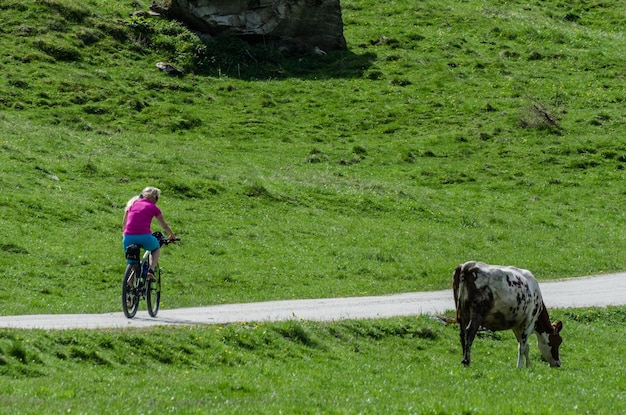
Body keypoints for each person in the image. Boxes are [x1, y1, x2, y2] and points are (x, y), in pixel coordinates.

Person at [122, 186, 177, 280]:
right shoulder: (153, 207)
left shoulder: (132, 204)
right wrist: (172, 235)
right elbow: (164, 226)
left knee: (131, 260)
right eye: (157, 198)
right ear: (153, 197)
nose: (157, 200)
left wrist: (125, 235)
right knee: (155, 247)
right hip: (144, 237)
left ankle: (128, 286)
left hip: (128, 237)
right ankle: (150, 270)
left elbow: (124, 223)